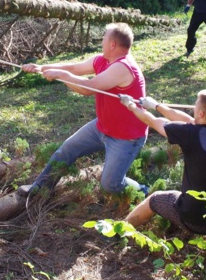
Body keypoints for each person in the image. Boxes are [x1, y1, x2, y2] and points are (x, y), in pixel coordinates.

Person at [20, 23, 149, 196]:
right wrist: (42, 68)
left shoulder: (123, 67)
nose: (101, 40)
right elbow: (74, 68)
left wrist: (62, 76)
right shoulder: (103, 60)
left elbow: (88, 88)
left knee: (110, 185)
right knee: (66, 150)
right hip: (102, 127)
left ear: (112, 44)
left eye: (104, 36)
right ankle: (40, 188)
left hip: (126, 138)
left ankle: (144, 192)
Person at [119, 90, 206, 235]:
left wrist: (130, 104)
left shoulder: (189, 134)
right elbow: (190, 120)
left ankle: (119, 231)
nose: (194, 109)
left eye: (196, 106)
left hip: (193, 220)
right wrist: (156, 105)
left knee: (154, 200)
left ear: (201, 114)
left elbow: (152, 121)